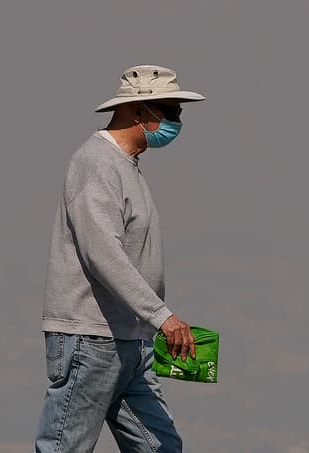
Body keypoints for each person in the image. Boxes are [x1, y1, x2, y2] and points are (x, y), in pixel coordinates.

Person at [34, 64, 205, 452]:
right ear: (137, 111)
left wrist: (150, 324)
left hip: (132, 338)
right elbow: (102, 253)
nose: (177, 120)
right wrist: (163, 317)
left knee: (160, 446)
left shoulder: (126, 168)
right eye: (170, 110)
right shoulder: (96, 163)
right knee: (65, 446)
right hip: (91, 337)